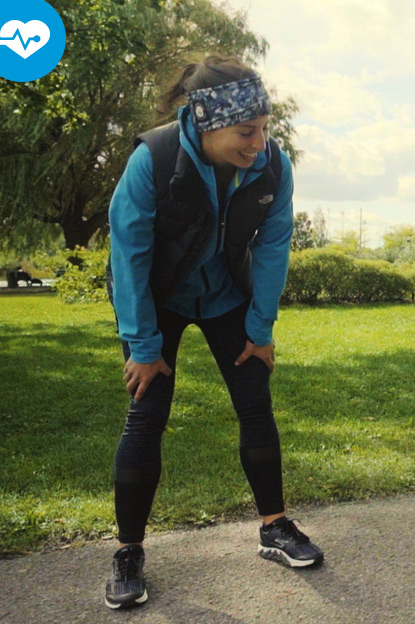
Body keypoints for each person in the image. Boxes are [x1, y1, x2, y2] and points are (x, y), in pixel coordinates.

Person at [104, 55, 322, 610]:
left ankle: (274, 527)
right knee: (147, 413)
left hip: (226, 293)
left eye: (265, 128)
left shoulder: (273, 166)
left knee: (255, 402)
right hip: (158, 298)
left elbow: (273, 245)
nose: (260, 142)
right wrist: (144, 345)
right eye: (247, 132)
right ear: (205, 122)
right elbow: (128, 252)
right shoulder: (152, 159)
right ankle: (128, 551)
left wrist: (260, 327)